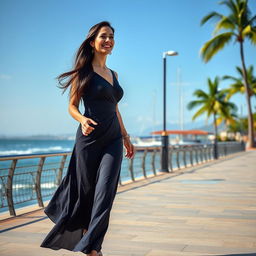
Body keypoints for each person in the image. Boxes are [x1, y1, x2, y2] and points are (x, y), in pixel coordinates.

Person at [40, 21, 135, 256]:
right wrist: (82, 119)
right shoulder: (83, 73)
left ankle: (93, 249)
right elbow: (72, 106)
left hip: (113, 139)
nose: (108, 40)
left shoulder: (114, 74)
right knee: (86, 192)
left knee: (105, 193)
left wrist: (125, 137)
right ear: (93, 42)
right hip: (89, 140)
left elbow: (115, 108)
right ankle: (89, 240)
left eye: (111, 36)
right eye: (104, 36)